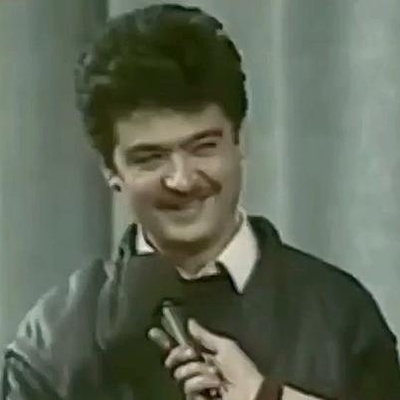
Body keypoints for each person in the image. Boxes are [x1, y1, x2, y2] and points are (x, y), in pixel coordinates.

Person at [2, 3, 400, 399]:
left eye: (203, 147)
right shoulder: (54, 344)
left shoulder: (341, 318)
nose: (182, 180)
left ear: (241, 141)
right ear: (110, 170)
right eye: (150, 158)